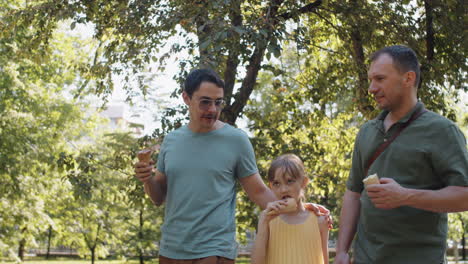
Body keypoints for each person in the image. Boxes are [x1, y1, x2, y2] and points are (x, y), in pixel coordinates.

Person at [134, 68, 329, 264]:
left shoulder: (236, 140)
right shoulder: (171, 141)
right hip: (171, 250)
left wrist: (300, 209)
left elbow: (260, 192)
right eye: (205, 102)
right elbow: (158, 197)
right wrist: (147, 179)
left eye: (218, 102)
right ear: (186, 98)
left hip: (214, 250)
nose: (212, 109)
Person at [334, 45, 468, 264]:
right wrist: (341, 250)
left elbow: (465, 196)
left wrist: (406, 196)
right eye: (370, 79)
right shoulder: (367, 132)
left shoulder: (442, 131)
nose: (371, 88)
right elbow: (353, 193)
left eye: (380, 79)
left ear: (408, 78)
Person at [251, 154, 329, 264]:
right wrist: (263, 222)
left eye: (289, 181)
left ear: (303, 182)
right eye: (276, 183)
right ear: (270, 186)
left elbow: (325, 261)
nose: (283, 190)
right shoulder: (267, 221)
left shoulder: (320, 221)